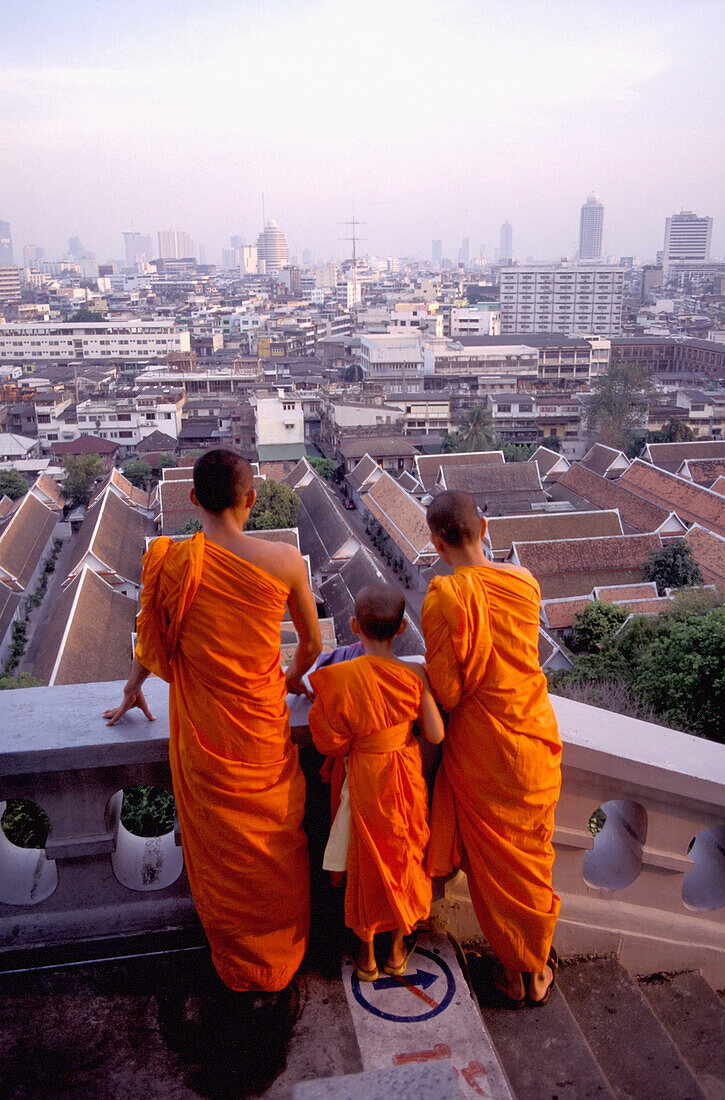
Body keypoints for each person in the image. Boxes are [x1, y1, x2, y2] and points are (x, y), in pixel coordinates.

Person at [104, 449, 321, 995]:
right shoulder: (285, 561)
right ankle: (278, 955)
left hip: (206, 737)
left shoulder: (172, 561)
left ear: (194, 499)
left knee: (225, 858)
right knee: (274, 849)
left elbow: (153, 639)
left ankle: (238, 963)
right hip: (262, 728)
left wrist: (133, 687)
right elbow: (312, 646)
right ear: (251, 499)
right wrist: (290, 677)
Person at [422, 490, 561, 1008]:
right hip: (535, 739)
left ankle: (517, 972)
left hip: (486, 751)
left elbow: (450, 691)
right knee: (531, 861)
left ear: (436, 542)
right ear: (484, 527)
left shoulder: (446, 596)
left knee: (499, 869)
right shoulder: (524, 582)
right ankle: (535, 969)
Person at [307, 584, 444, 980]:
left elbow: (326, 740)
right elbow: (434, 734)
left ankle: (366, 957)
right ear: (402, 629)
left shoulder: (340, 677)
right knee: (403, 854)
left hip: (362, 778)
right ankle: (398, 951)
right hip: (403, 775)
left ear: (353, 626)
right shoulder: (413, 674)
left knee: (364, 860)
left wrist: (363, 742)